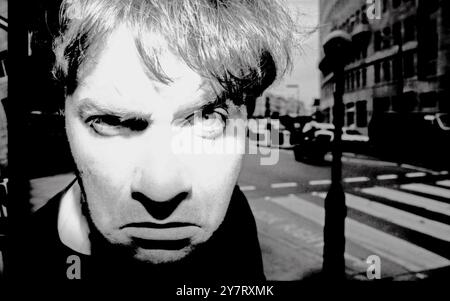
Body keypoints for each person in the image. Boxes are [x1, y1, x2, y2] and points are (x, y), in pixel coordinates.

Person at [8, 0, 295, 281]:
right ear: (64, 115)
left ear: (246, 119)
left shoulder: (235, 215)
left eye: (207, 117)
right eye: (111, 120)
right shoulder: (29, 258)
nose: (161, 189)